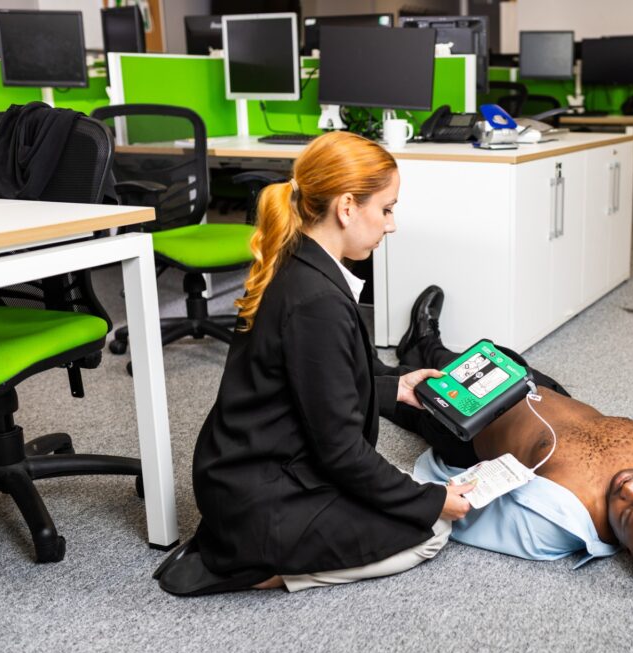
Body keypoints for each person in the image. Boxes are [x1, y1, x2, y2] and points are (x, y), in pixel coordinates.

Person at [154, 132, 474, 596]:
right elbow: (341, 451)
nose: (391, 225)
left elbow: (312, 383)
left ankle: (261, 546)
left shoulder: (299, 263)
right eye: (386, 208)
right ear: (347, 207)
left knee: (408, 491)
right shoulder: (316, 301)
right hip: (261, 500)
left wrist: (396, 389)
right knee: (433, 529)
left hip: (243, 474)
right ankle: (267, 571)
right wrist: (432, 502)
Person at [385, 286, 633, 634]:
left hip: (466, 424)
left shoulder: (559, 523)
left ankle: (386, 363)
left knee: (390, 391)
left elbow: (465, 513)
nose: (631, 487)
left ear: (628, 549)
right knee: (471, 358)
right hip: (537, 390)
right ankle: (424, 343)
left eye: (626, 512)